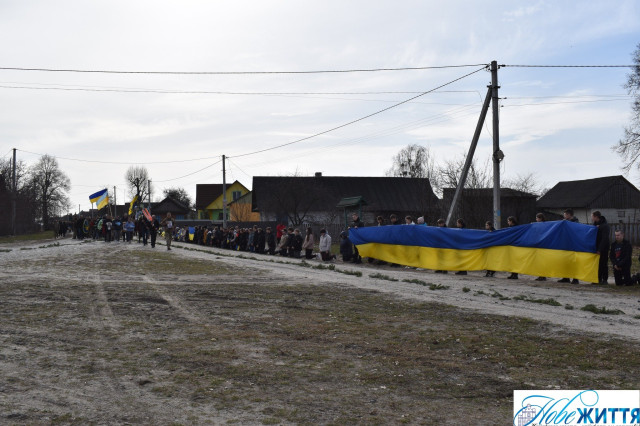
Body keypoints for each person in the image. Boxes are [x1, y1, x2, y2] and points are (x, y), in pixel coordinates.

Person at [558, 209, 580, 284]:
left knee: (574, 263)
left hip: (573, 245)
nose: (564, 216)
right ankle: (566, 277)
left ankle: (575, 278)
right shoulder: (565, 222)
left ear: (569, 215)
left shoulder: (576, 222)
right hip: (566, 244)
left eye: (565, 214)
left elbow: (575, 230)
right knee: (565, 262)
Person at [592, 211, 610, 285]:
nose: (591, 218)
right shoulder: (595, 225)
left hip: (603, 248)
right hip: (596, 247)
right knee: (597, 264)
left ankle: (605, 279)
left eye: (592, 217)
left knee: (603, 263)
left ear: (596, 217)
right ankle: (598, 278)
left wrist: (600, 249)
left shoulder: (605, 226)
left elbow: (604, 239)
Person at [534, 213, 547, 281]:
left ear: (540, 218)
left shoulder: (544, 225)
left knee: (542, 262)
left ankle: (542, 275)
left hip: (542, 246)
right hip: (540, 245)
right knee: (540, 262)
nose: (536, 219)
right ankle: (541, 275)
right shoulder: (542, 225)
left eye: (537, 218)